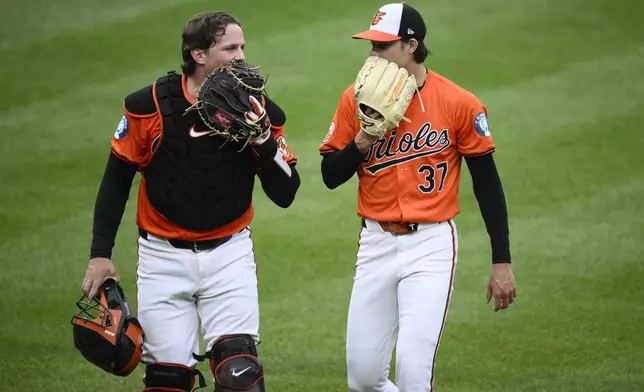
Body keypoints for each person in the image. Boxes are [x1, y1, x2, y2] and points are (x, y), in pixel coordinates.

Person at [81, 11, 300, 392]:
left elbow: (286, 193)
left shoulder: (259, 111)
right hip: (162, 260)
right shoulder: (150, 106)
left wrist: (263, 141)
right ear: (198, 55)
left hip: (229, 256)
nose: (241, 56)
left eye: (243, 47)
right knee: (166, 382)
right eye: (229, 48)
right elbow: (115, 182)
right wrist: (100, 254)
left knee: (241, 376)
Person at [319, 3, 517, 391]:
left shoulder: (459, 103)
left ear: (411, 46)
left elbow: (488, 187)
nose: (372, 54)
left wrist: (502, 261)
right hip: (375, 242)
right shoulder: (355, 100)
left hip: (430, 245)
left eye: (381, 46)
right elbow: (329, 176)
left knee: (412, 373)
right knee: (363, 379)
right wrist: (364, 139)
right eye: (371, 46)